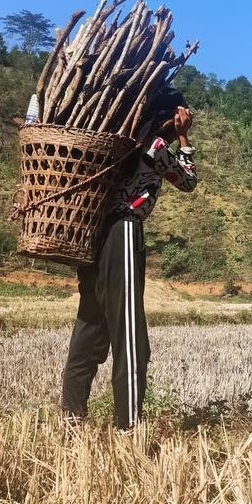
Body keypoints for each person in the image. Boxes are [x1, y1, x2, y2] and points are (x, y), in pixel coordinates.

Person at [61, 86, 197, 429]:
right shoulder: (152, 147)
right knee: (131, 339)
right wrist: (183, 137)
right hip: (121, 232)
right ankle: (128, 429)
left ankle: (71, 422)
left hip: (91, 236)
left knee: (89, 332)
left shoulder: (118, 141)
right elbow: (189, 181)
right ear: (167, 117)